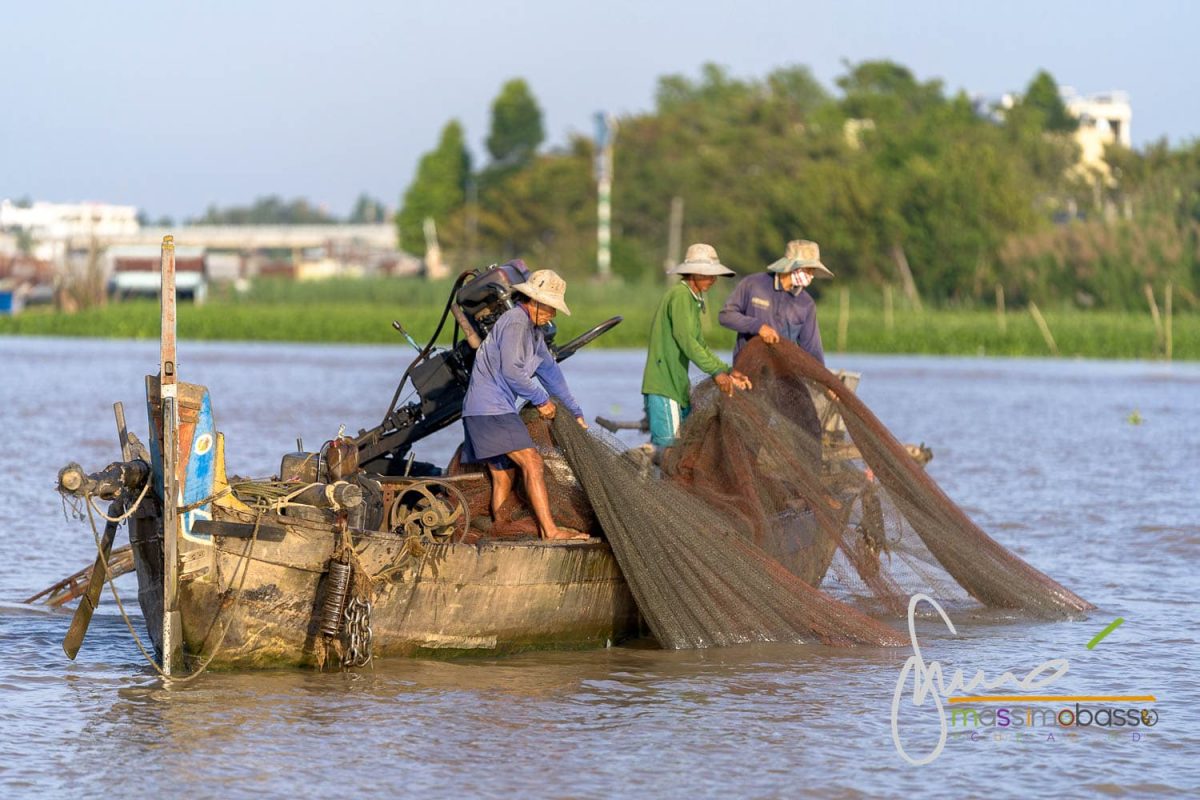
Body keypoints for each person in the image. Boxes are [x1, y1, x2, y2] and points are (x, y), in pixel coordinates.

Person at [461, 269, 589, 541]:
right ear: (535, 300)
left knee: (504, 475)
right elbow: (512, 371)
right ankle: (550, 531)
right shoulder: (517, 321)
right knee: (533, 462)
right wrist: (541, 400)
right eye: (551, 307)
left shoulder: (534, 333)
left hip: (486, 411)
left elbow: (551, 374)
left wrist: (575, 412)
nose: (552, 315)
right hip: (490, 410)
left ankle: (502, 531)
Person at [641, 243, 751, 453]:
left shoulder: (692, 299)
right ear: (695, 273)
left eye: (714, 275)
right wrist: (716, 373)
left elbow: (699, 343)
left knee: (682, 449)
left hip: (677, 386)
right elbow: (687, 341)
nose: (713, 280)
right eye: (709, 275)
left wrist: (727, 370)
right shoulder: (680, 296)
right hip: (664, 387)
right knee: (667, 450)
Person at [718, 239, 834, 363]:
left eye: (813, 270)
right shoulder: (753, 284)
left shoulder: (806, 303)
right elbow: (726, 316)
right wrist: (758, 327)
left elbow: (812, 349)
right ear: (791, 267)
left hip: (783, 371)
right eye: (807, 269)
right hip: (747, 367)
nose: (811, 275)